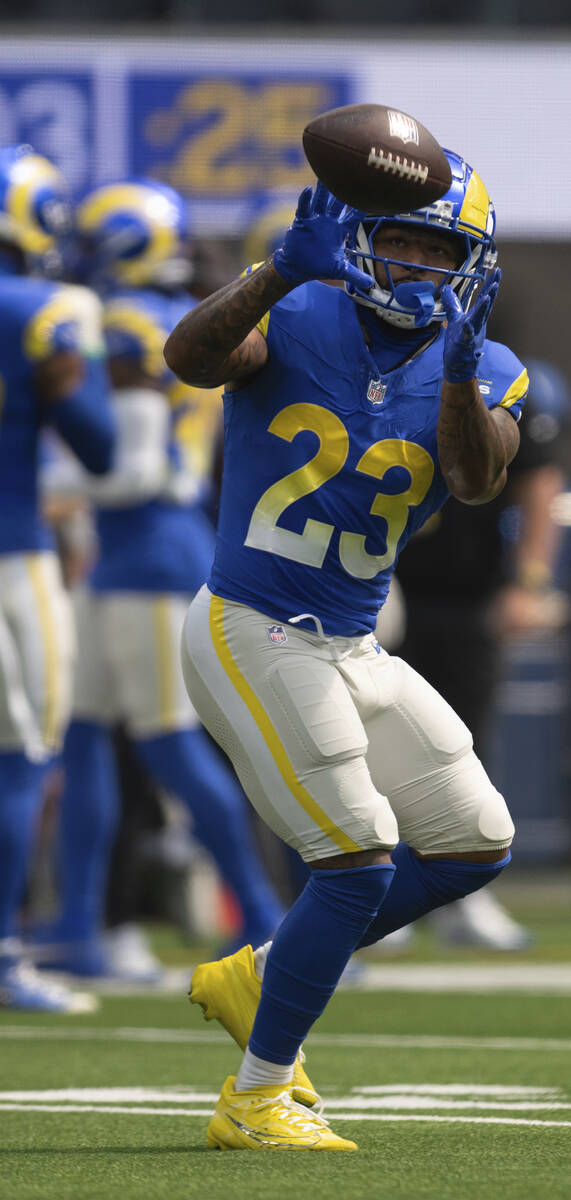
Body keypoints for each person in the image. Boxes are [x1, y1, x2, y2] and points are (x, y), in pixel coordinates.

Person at [164, 152, 527, 1151]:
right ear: (362, 240)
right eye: (398, 239)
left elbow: (474, 476)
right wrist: (276, 271)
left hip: (353, 640)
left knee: (473, 839)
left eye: (436, 247)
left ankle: (263, 973)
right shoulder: (299, 313)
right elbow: (189, 360)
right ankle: (255, 1097)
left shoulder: (487, 365)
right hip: (254, 622)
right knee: (356, 861)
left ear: (471, 265)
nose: (413, 263)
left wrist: (455, 373)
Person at [35, 179, 286, 979]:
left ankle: (263, 917)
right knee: (85, 735)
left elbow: (141, 469)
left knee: (171, 744)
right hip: (126, 554)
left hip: (150, 552)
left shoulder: (127, 323)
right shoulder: (162, 313)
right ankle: (82, 924)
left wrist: (37, 488)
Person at [386, 358, 571, 950]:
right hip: (378, 590)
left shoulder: (494, 370)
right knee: (366, 747)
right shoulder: (370, 364)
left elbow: (539, 480)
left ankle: (459, 893)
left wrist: (531, 581)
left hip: (466, 600)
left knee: (461, 747)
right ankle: (375, 888)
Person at [0, 145, 115, 1011]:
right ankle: (5, 955)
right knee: (21, 763)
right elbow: (100, 448)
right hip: (14, 555)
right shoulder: (37, 310)